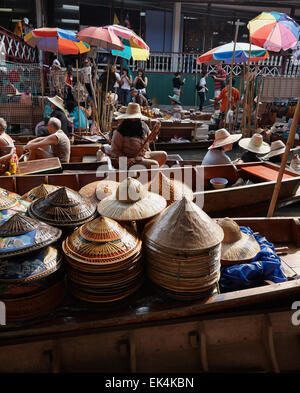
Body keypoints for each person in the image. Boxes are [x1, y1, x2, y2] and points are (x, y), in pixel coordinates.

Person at [109, 103, 167, 169]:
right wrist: (127, 160)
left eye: (136, 118)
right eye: (132, 118)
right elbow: (114, 151)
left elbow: (152, 139)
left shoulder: (144, 126)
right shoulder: (120, 131)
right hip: (131, 160)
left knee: (163, 155)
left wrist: (155, 131)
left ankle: (151, 173)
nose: (134, 120)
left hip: (144, 155)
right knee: (154, 164)